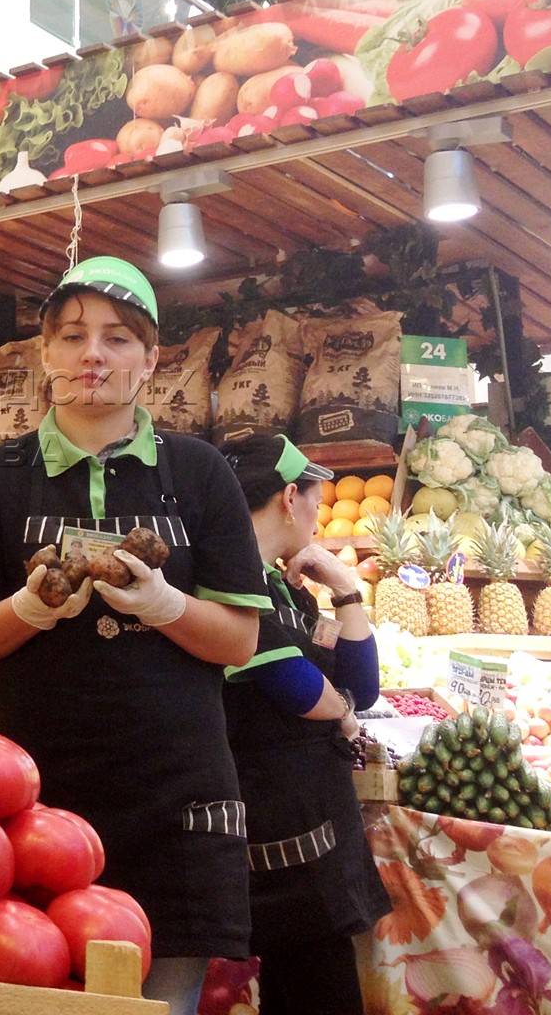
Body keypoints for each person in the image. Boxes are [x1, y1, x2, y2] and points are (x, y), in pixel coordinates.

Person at [0, 256, 270, 1015]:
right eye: (75, 335)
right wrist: (29, 609)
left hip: (176, 800)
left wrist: (165, 605)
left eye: (119, 339)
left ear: (150, 361)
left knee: (165, 1003)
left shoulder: (200, 472)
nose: (94, 354)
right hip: (36, 800)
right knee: (36, 996)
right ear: (46, 354)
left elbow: (241, 641)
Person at [221, 434, 390, 1015]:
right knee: (320, 985)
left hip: (313, 809)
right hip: (274, 817)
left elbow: (360, 687)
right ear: (290, 498)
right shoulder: (231, 580)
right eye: (317, 500)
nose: (319, 516)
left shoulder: (283, 589)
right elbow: (294, 688)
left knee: (312, 978)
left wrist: (345, 591)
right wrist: (341, 715)